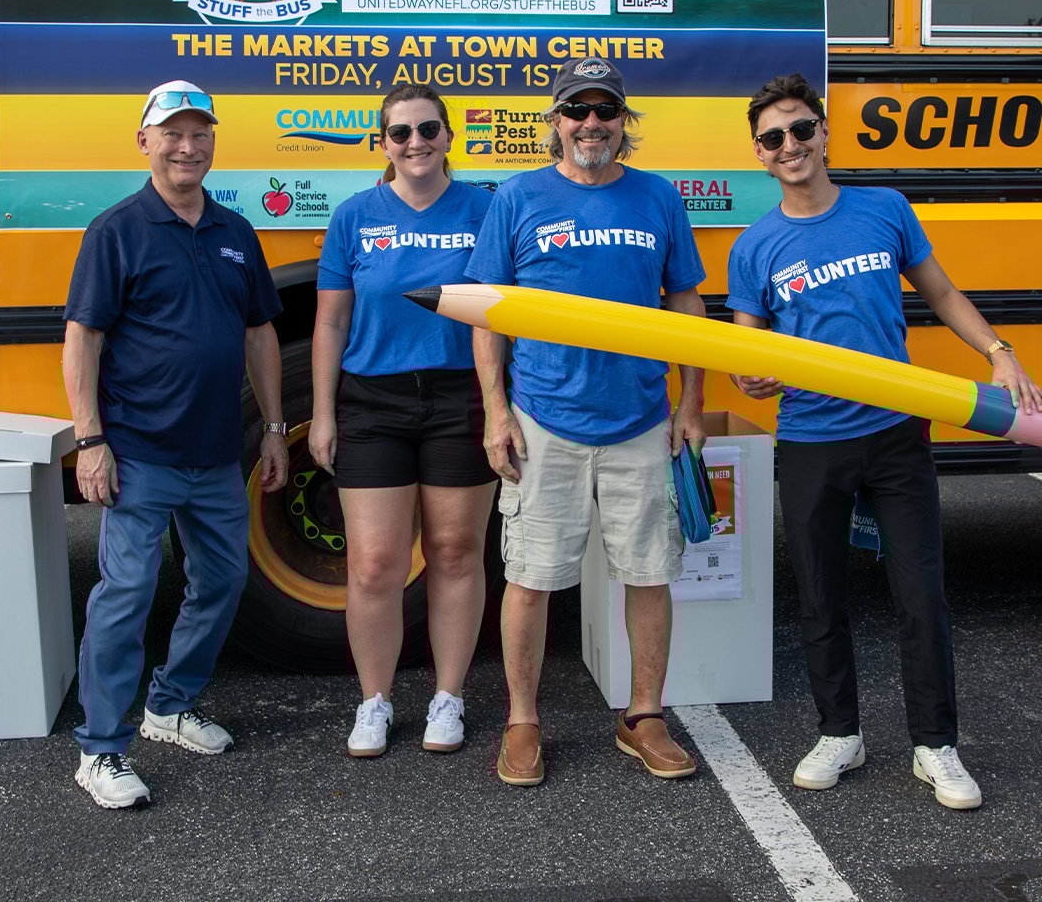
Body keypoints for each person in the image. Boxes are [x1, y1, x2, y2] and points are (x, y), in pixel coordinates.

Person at [727, 72, 1042, 811]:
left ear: (825, 133)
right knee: (820, 596)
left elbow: (940, 292)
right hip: (811, 439)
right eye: (774, 137)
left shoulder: (884, 210)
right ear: (759, 155)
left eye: (802, 129)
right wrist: (752, 379)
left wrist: (998, 351)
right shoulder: (756, 246)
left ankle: (935, 745)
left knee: (920, 594)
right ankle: (841, 732)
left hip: (897, 431)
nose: (791, 145)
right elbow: (748, 348)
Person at [466, 58, 706, 786]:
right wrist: (495, 410)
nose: (591, 124)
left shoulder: (658, 198)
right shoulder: (516, 197)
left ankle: (644, 719)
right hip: (544, 421)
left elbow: (687, 307)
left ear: (624, 123)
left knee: (649, 573)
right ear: (555, 123)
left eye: (606, 111)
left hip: (639, 418)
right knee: (531, 580)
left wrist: (691, 403)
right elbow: (487, 314)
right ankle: (522, 722)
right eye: (577, 111)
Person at [63, 79, 288, 809]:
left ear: (213, 143)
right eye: (172, 133)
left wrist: (278, 429)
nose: (187, 147)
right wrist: (91, 439)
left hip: (218, 454)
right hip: (138, 454)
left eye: (199, 133)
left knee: (222, 583)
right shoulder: (116, 231)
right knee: (124, 595)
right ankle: (100, 750)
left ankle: (170, 704)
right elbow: (83, 339)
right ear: (145, 142)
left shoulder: (234, 234)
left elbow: (259, 331)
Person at [309, 84, 498, 758]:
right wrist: (323, 414)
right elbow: (330, 320)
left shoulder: (485, 207)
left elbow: (505, 311)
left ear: (450, 136)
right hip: (372, 402)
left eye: (427, 129)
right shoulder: (355, 215)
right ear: (381, 144)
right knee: (375, 565)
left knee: (453, 551)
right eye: (400, 133)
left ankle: (449, 698)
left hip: (460, 399)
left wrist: (502, 406)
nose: (414, 142)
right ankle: (375, 702)